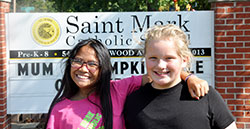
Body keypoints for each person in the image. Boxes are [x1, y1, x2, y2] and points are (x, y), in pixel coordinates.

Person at [44, 38, 209, 129]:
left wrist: (189, 77)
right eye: (78, 61)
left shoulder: (117, 90)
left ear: (103, 69)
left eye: (92, 64)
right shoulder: (59, 110)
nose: (83, 68)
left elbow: (159, 73)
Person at [124, 24, 237, 129]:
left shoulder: (204, 95)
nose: (160, 65)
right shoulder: (132, 102)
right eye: (153, 58)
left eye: (169, 58)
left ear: (184, 60)